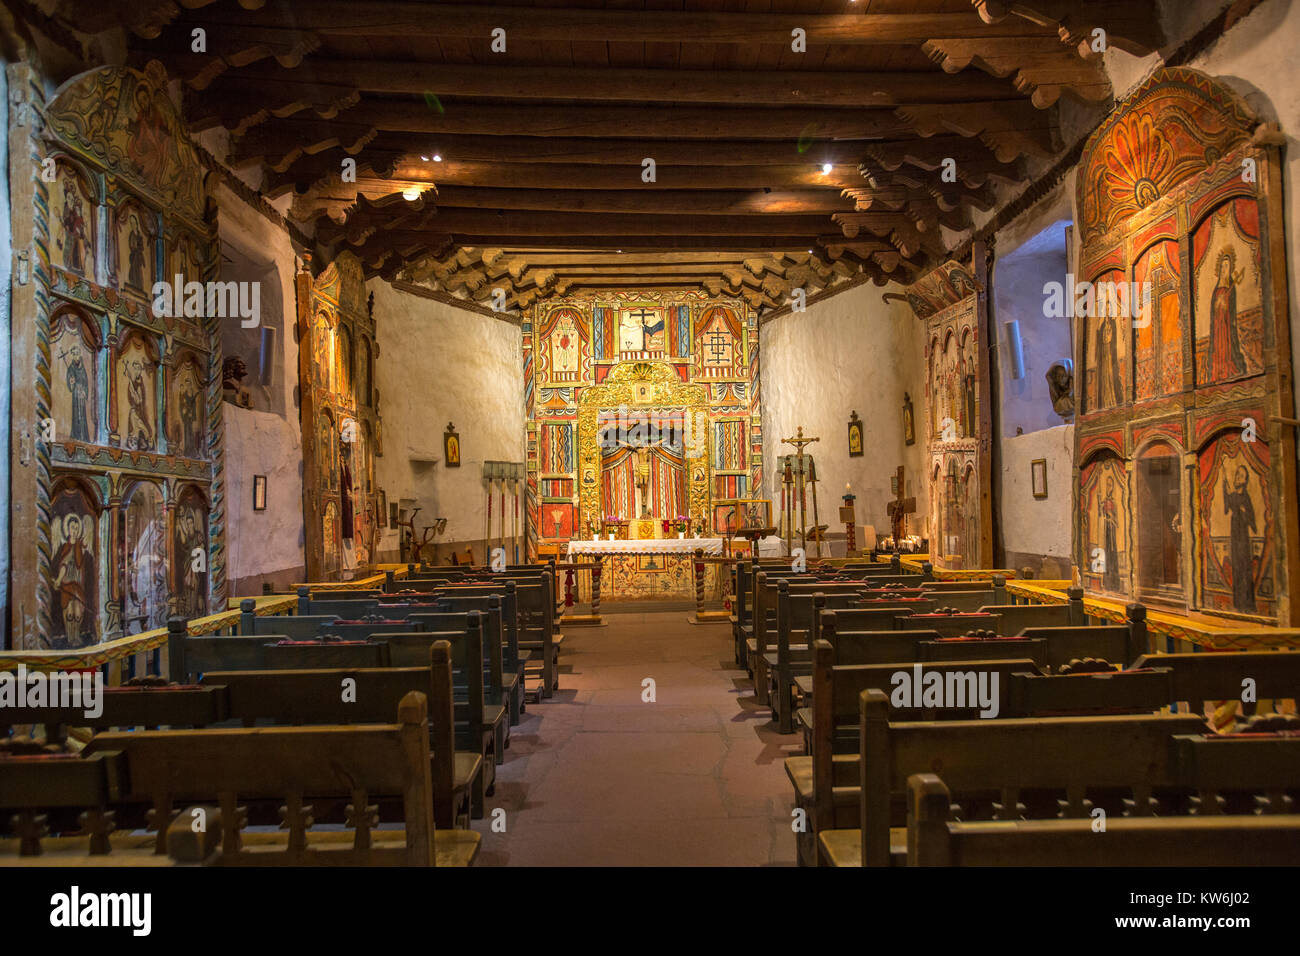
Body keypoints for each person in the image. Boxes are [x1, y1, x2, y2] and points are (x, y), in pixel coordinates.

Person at [1223, 465, 1256, 612]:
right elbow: (1227, 505)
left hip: (1242, 536)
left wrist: (1244, 513)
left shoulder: (1245, 497)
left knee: (1244, 568)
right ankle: (1238, 602)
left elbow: (1251, 519)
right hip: (1234, 534)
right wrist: (1224, 486)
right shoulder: (1234, 496)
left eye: (1241, 476)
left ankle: (1247, 603)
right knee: (1236, 567)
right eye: (1237, 475)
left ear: (1245, 480)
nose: (1237, 478)